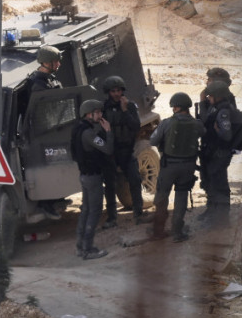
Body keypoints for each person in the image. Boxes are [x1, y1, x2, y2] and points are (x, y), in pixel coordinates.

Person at [149, 92, 205, 242]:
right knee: (181, 197)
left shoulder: (167, 123)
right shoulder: (197, 124)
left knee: (162, 197)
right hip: (188, 166)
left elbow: (152, 141)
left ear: (176, 107)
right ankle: (177, 232)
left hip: (169, 166)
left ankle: (158, 231)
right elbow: (203, 133)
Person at [101, 76, 149, 226]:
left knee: (135, 180)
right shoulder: (104, 108)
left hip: (127, 150)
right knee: (110, 185)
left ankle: (138, 213)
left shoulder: (130, 106)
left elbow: (135, 126)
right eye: (113, 91)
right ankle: (112, 217)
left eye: (119, 90)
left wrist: (125, 110)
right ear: (108, 92)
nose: (116, 94)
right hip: (111, 152)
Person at [26, 45, 65, 219]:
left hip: (53, 131)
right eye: (56, 61)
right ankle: (46, 204)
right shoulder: (38, 85)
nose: (58, 64)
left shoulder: (49, 80)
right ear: (47, 62)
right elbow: (44, 112)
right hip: (43, 134)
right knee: (48, 170)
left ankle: (57, 198)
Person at [71, 99, 111, 260]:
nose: (100, 115)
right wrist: (108, 132)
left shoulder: (78, 128)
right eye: (98, 112)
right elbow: (108, 149)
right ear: (89, 114)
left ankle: (80, 246)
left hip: (84, 175)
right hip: (93, 177)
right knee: (94, 212)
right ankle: (88, 249)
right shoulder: (88, 133)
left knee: (86, 210)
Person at [199, 80, 236, 225]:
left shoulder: (224, 111)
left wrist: (216, 130)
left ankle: (221, 218)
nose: (208, 98)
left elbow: (226, 135)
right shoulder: (216, 108)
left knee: (219, 185)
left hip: (220, 153)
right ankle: (214, 214)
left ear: (218, 96)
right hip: (213, 152)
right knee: (213, 184)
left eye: (210, 96)